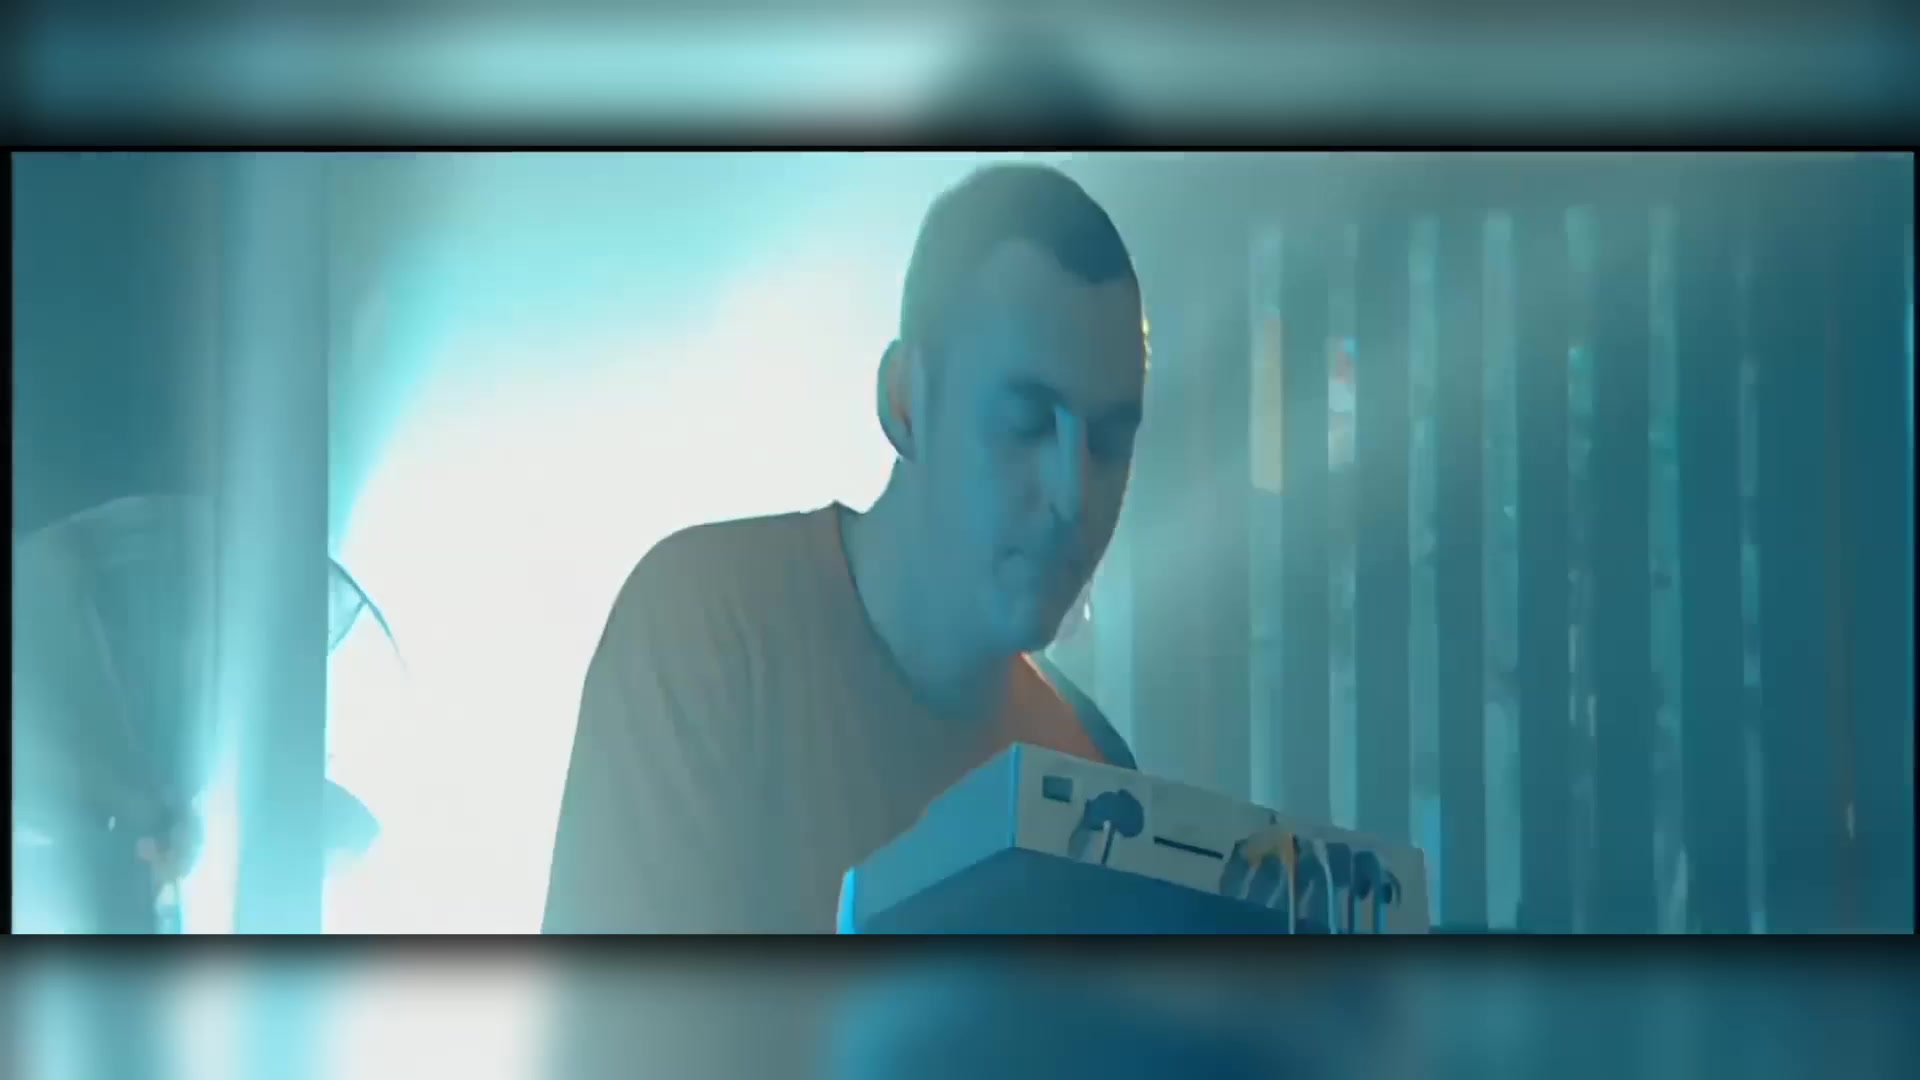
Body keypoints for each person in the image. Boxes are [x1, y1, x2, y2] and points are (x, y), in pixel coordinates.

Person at [542, 163, 1149, 934]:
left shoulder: (1092, 770)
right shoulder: (708, 630)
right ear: (905, 402)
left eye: (1109, 441)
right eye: (1025, 423)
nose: (1072, 494)